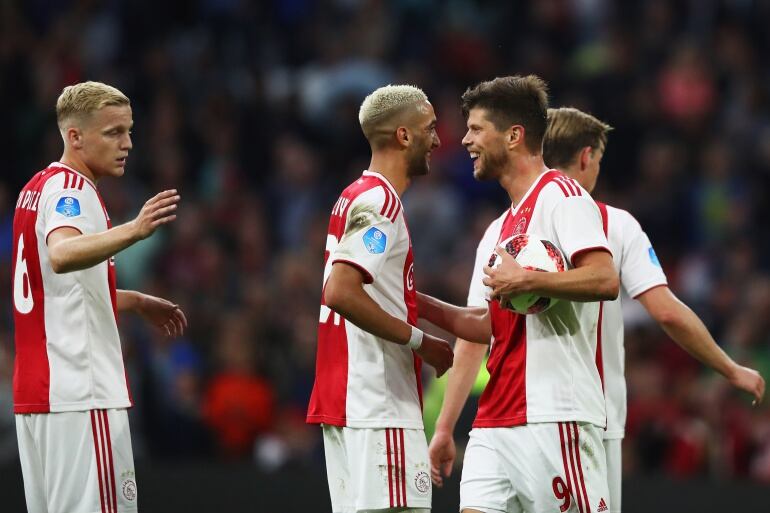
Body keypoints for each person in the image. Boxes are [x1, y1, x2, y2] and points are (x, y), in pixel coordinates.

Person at [542, 106, 766, 513]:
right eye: (599, 161)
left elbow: (480, 330)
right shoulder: (614, 224)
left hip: (519, 415)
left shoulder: (506, 227)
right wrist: (730, 368)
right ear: (587, 157)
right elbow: (667, 312)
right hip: (589, 416)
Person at [419, 75, 619, 513]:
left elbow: (604, 279)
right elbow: (481, 327)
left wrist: (530, 281)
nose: (465, 140)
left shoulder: (563, 197)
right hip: (493, 421)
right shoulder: (496, 230)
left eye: (476, 129)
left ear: (513, 135)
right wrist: (417, 303)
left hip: (556, 412)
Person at [11, 81, 187, 513]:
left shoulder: (36, 187)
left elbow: (55, 293)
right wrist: (135, 229)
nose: (127, 144)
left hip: (39, 397)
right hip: (81, 391)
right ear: (75, 136)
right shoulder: (72, 190)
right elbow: (62, 254)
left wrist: (135, 301)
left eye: (129, 131)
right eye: (113, 133)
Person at [306, 84, 454, 513]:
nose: (437, 140)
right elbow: (341, 291)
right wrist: (421, 341)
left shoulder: (353, 195)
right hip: (378, 400)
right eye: (430, 128)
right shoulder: (381, 201)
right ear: (404, 135)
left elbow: (368, 288)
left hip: (347, 400)